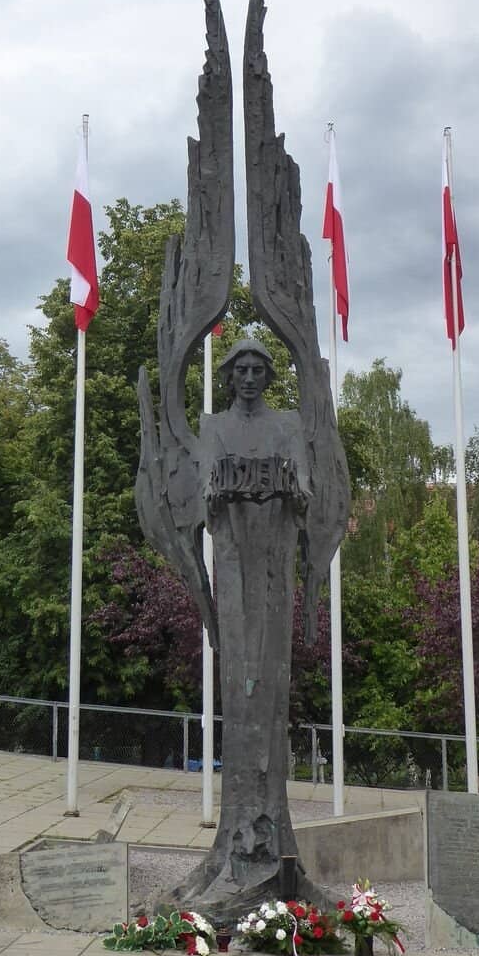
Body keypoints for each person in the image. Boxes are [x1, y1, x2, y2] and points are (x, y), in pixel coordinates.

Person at [172, 340, 313, 918]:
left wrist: (289, 485)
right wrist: (220, 489)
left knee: (271, 680)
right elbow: (206, 499)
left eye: (258, 370)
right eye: (241, 370)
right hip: (231, 560)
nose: (249, 377)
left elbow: (305, 491)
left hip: (275, 563)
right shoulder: (213, 427)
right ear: (229, 377)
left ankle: (273, 843)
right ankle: (236, 843)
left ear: (267, 376)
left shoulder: (287, 424)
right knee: (239, 679)